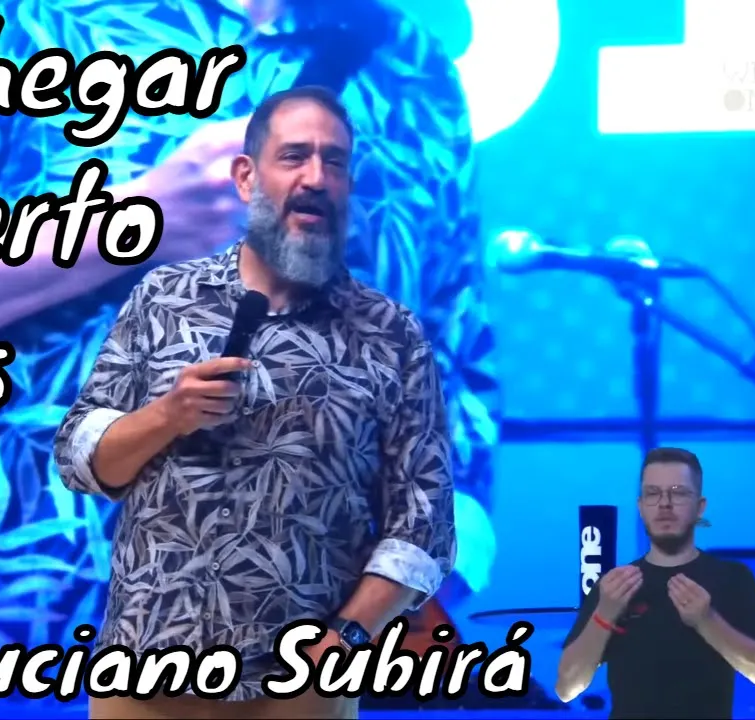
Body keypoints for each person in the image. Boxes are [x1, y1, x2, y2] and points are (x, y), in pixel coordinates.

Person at [0, 0, 497, 715]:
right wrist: (134, 222)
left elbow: (452, 363)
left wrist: (419, 587)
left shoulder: (410, 65)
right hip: (16, 627)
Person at [54, 85, 456, 719]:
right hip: (145, 674)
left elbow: (424, 523)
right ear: (246, 177)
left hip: (298, 690)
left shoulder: (391, 333)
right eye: (294, 156)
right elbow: (82, 460)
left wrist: (348, 639)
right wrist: (167, 415)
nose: (316, 177)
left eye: (334, 161)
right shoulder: (163, 298)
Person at [555, 447, 755, 719]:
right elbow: (567, 687)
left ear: (700, 507)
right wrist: (604, 615)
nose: (665, 504)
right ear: (641, 507)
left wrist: (707, 620)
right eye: (653, 493)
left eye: (678, 493)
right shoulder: (615, 586)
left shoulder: (732, 578)